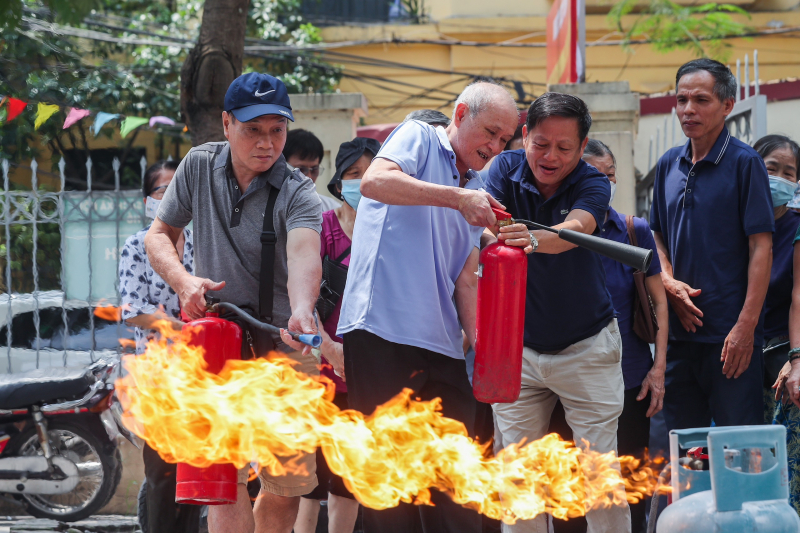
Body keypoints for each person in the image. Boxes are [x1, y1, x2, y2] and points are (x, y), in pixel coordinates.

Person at [337, 80, 528, 533]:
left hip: (441, 345)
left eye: (505, 140)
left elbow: (465, 277)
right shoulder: (420, 135)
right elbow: (375, 181)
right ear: (460, 115)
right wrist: (455, 198)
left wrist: (485, 349)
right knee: (389, 489)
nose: (496, 146)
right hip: (382, 331)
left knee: (456, 487)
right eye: (490, 132)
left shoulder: (477, 185)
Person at [145, 72, 323, 533]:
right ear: (226, 124)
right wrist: (184, 282)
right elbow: (159, 235)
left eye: (276, 131)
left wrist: (303, 308)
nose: (267, 143)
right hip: (216, 340)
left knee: (286, 487)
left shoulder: (299, 190)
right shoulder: (198, 165)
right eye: (253, 130)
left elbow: (305, 252)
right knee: (223, 479)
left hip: (287, 344)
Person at [484, 92, 631, 533]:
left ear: (582, 148)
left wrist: (531, 239)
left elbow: (578, 229)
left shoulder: (593, 183)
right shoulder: (503, 169)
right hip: (518, 352)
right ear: (524, 135)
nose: (550, 156)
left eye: (564, 148)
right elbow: (485, 222)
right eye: (541, 143)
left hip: (586, 347)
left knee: (598, 477)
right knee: (519, 481)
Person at [650, 59, 774, 433]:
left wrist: (745, 328)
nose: (689, 109)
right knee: (685, 452)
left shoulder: (745, 163)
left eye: (701, 100)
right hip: (677, 335)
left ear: (727, 106)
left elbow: (761, 248)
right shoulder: (667, 164)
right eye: (682, 99)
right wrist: (669, 284)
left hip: (730, 338)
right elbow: (655, 236)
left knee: (740, 446)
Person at [293, 137, 381, 533]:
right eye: (353, 175)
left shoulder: (391, 232)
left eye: (370, 175)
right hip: (317, 367)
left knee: (348, 476)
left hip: (368, 373)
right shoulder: (322, 226)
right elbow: (299, 294)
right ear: (338, 181)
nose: (361, 184)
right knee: (307, 480)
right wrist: (328, 349)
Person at [583, 139, 669, 533]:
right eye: (594, 178)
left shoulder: (634, 231)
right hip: (575, 383)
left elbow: (659, 302)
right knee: (583, 483)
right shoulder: (558, 234)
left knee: (632, 478)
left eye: (610, 177)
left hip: (630, 377)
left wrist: (658, 370)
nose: (605, 185)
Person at [119, 160, 199, 533]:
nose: (169, 197)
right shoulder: (137, 245)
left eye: (176, 188)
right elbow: (132, 309)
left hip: (203, 378)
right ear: (147, 199)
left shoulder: (203, 243)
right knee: (163, 474)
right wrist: (181, 328)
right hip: (158, 382)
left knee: (199, 472)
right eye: (161, 190)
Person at [756, 135, 800, 420]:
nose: (779, 178)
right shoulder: (732, 225)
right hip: (735, 359)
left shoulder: (796, 228)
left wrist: (796, 359)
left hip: (783, 360)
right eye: (771, 169)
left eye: (789, 173)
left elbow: (799, 298)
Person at [284, 128, 341, 211]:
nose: (308, 177)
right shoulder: (265, 209)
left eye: (314, 170)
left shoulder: (331, 209)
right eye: (300, 170)